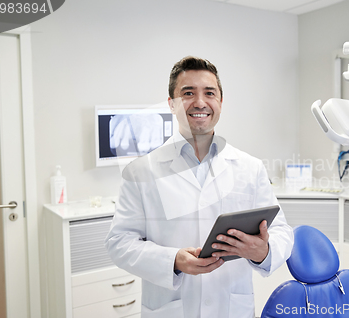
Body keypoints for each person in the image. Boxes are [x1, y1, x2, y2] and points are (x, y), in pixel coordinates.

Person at [105, 56, 294, 318]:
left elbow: (282, 231)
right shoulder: (141, 171)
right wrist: (173, 261)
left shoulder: (250, 167)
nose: (200, 102)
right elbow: (120, 242)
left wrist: (264, 251)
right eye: (188, 93)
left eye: (209, 93)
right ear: (171, 103)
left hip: (232, 308)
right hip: (170, 308)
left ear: (220, 102)